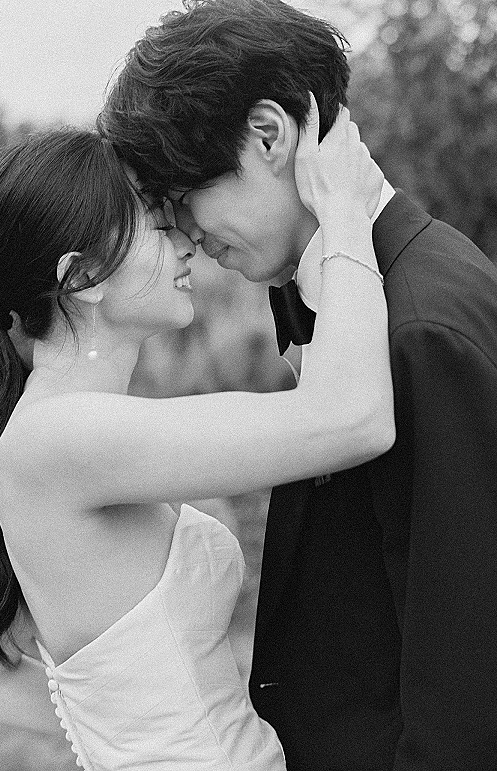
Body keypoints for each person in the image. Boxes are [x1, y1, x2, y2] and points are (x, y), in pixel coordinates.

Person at [99, 1, 497, 769]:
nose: (189, 236)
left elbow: (469, 690)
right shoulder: (346, 301)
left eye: (185, 196)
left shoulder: (423, 331)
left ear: (269, 135)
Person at [0, 101, 393, 770]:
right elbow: (353, 418)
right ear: (81, 278)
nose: (185, 241)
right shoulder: (61, 439)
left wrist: (134, 732)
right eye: (156, 225)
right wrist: (345, 210)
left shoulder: (50, 433)